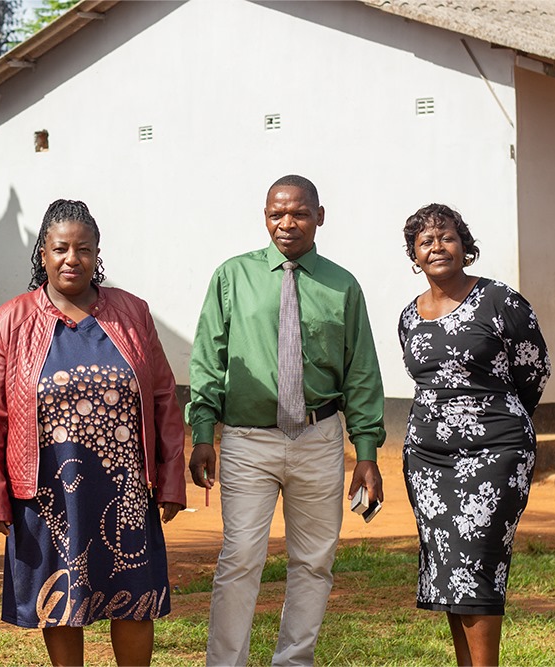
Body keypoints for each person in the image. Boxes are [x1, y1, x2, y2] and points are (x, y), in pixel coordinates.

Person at [0, 199, 187, 667]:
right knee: (62, 605)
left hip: (125, 490)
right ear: (43, 254)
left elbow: (164, 399)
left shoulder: (132, 313)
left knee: (134, 599)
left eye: (84, 249)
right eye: (61, 249)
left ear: (97, 254)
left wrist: (171, 480)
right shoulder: (10, 321)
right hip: (49, 492)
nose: (73, 258)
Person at [187, 175, 386, 666]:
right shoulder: (233, 276)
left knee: (314, 562)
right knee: (240, 559)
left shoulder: (342, 285)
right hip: (247, 441)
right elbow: (208, 358)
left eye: (298, 213)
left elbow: (361, 370)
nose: (287, 223)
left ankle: (294, 661)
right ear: (265, 217)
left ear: (320, 215)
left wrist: (366, 453)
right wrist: (203, 433)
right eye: (277, 214)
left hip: (318, 438)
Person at [398, 204, 550, 666]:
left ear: (465, 245)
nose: (437, 247)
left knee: (476, 561)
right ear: (414, 255)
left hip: (495, 453)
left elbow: (533, 370)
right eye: (426, 241)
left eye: (446, 237)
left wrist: (492, 420)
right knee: (448, 568)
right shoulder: (409, 315)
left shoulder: (500, 300)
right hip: (427, 460)